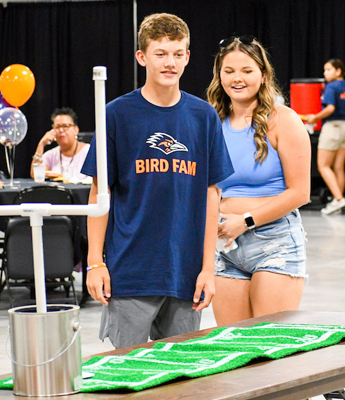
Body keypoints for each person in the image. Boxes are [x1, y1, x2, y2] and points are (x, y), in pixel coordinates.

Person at [81, 13, 234, 348]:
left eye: (178, 54)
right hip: (130, 272)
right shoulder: (116, 115)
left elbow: (212, 196)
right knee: (127, 378)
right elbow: (98, 192)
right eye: (161, 54)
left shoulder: (203, 116)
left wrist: (209, 268)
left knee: (179, 381)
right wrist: (95, 262)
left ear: (188, 57)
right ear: (142, 57)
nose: (170, 63)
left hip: (185, 274)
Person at [206, 35, 311, 325]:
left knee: (269, 348)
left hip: (275, 243)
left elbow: (300, 193)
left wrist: (246, 221)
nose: (237, 78)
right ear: (219, 76)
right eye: (229, 71)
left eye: (247, 71)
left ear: (262, 76)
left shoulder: (283, 119)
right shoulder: (211, 121)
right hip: (224, 245)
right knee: (234, 348)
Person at [305, 59, 345, 215]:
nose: (325, 73)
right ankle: (338, 200)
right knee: (338, 167)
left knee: (323, 166)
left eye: (328, 70)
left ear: (338, 71)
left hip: (332, 128)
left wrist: (315, 118)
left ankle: (338, 199)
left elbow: (330, 108)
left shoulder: (331, 86)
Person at [30, 107, 90, 182]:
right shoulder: (51, 154)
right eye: (57, 127)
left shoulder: (89, 152)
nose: (61, 130)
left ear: (76, 130)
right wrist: (41, 144)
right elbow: (35, 174)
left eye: (65, 126)